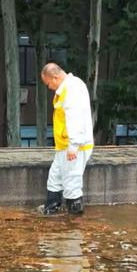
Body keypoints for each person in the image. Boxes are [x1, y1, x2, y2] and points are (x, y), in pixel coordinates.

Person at [39, 63, 93, 215]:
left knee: (71, 184)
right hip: (65, 145)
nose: (49, 87)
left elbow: (75, 118)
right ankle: (52, 209)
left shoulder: (72, 89)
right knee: (55, 178)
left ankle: (74, 220)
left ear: (55, 78)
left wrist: (73, 146)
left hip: (73, 146)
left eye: (48, 83)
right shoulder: (70, 87)